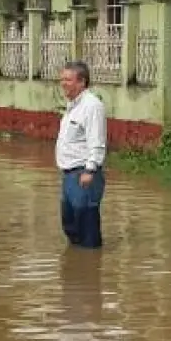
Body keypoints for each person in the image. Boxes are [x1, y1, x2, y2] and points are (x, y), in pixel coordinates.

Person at [55, 61, 107, 249]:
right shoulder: (72, 106)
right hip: (69, 175)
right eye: (62, 79)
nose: (63, 83)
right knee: (70, 224)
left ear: (82, 82)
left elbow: (97, 141)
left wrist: (90, 170)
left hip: (83, 174)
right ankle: (77, 267)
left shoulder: (92, 106)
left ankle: (90, 269)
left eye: (68, 80)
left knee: (87, 226)